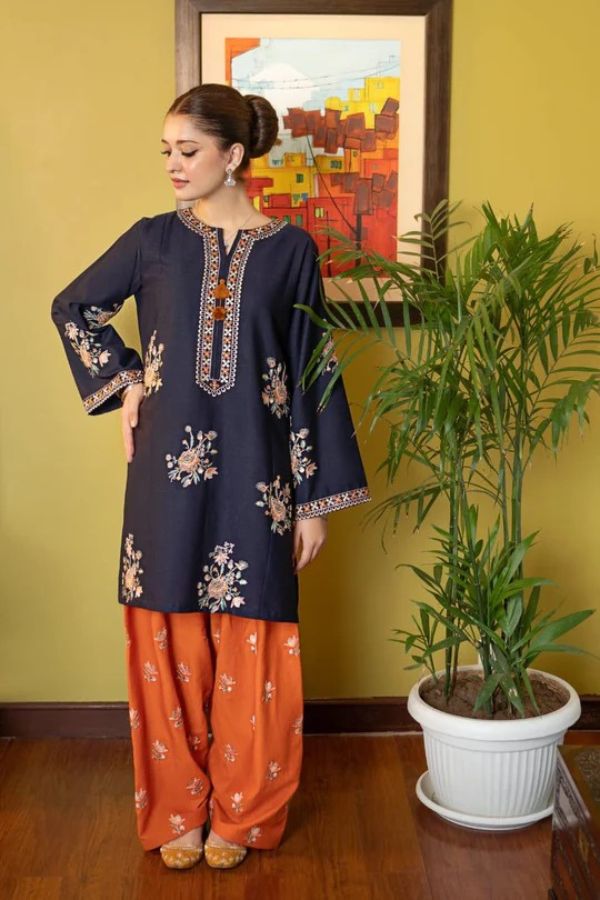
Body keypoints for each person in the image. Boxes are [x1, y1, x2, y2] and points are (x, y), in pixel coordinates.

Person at [50, 83, 371, 871]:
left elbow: (311, 372)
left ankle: (244, 809)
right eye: (166, 151)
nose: (173, 165)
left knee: (253, 633)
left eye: (187, 151)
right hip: (165, 477)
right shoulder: (152, 240)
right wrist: (127, 380)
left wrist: (315, 500)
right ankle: (177, 809)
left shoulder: (293, 251)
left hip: (260, 479)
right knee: (168, 635)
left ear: (234, 156)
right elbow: (73, 307)